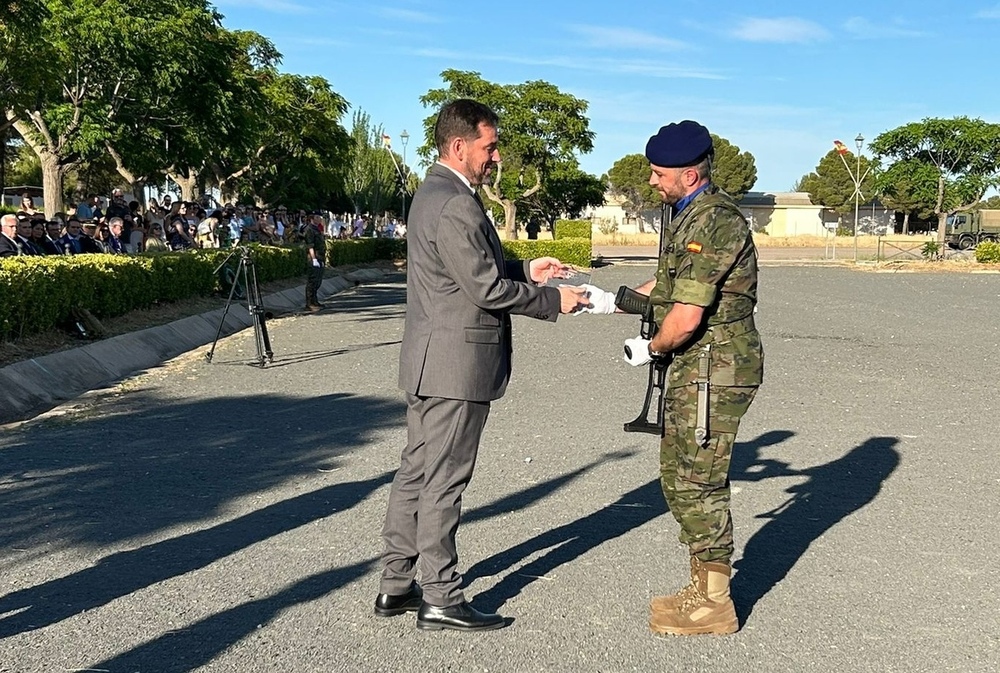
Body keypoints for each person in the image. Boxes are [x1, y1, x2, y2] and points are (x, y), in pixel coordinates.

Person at [375, 99, 585, 633]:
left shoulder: (436, 194)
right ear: (459, 145)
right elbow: (485, 287)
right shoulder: (456, 203)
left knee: (417, 473)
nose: (496, 157)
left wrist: (525, 266)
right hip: (456, 365)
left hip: (431, 360)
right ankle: (442, 595)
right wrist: (550, 300)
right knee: (444, 481)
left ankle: (397, 584)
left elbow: (469, 267)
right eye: (490, 147)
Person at [577, 120, 763, 636]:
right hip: (697, 367)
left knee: (698, 481)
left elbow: (684, 318)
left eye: (660, 174)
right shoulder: (687, 215)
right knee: (678, 477)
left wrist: (648, 347)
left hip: (714, 369)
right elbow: (667, 283)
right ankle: (702, 587)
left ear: (689, 173)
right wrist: (614, 301)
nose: (653, 181)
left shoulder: (715, 222)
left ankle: (715, 604)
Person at [302, 212, 326, 311]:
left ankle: (315, 301)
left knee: (318, 281)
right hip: (314, 257)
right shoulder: (309, 229)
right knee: (312, 281)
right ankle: (309, 303)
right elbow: (310, 245)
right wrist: (314, 259)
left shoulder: (317, 229)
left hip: (320, 257)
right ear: (312, 218)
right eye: (317, 217)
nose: (319, 219)